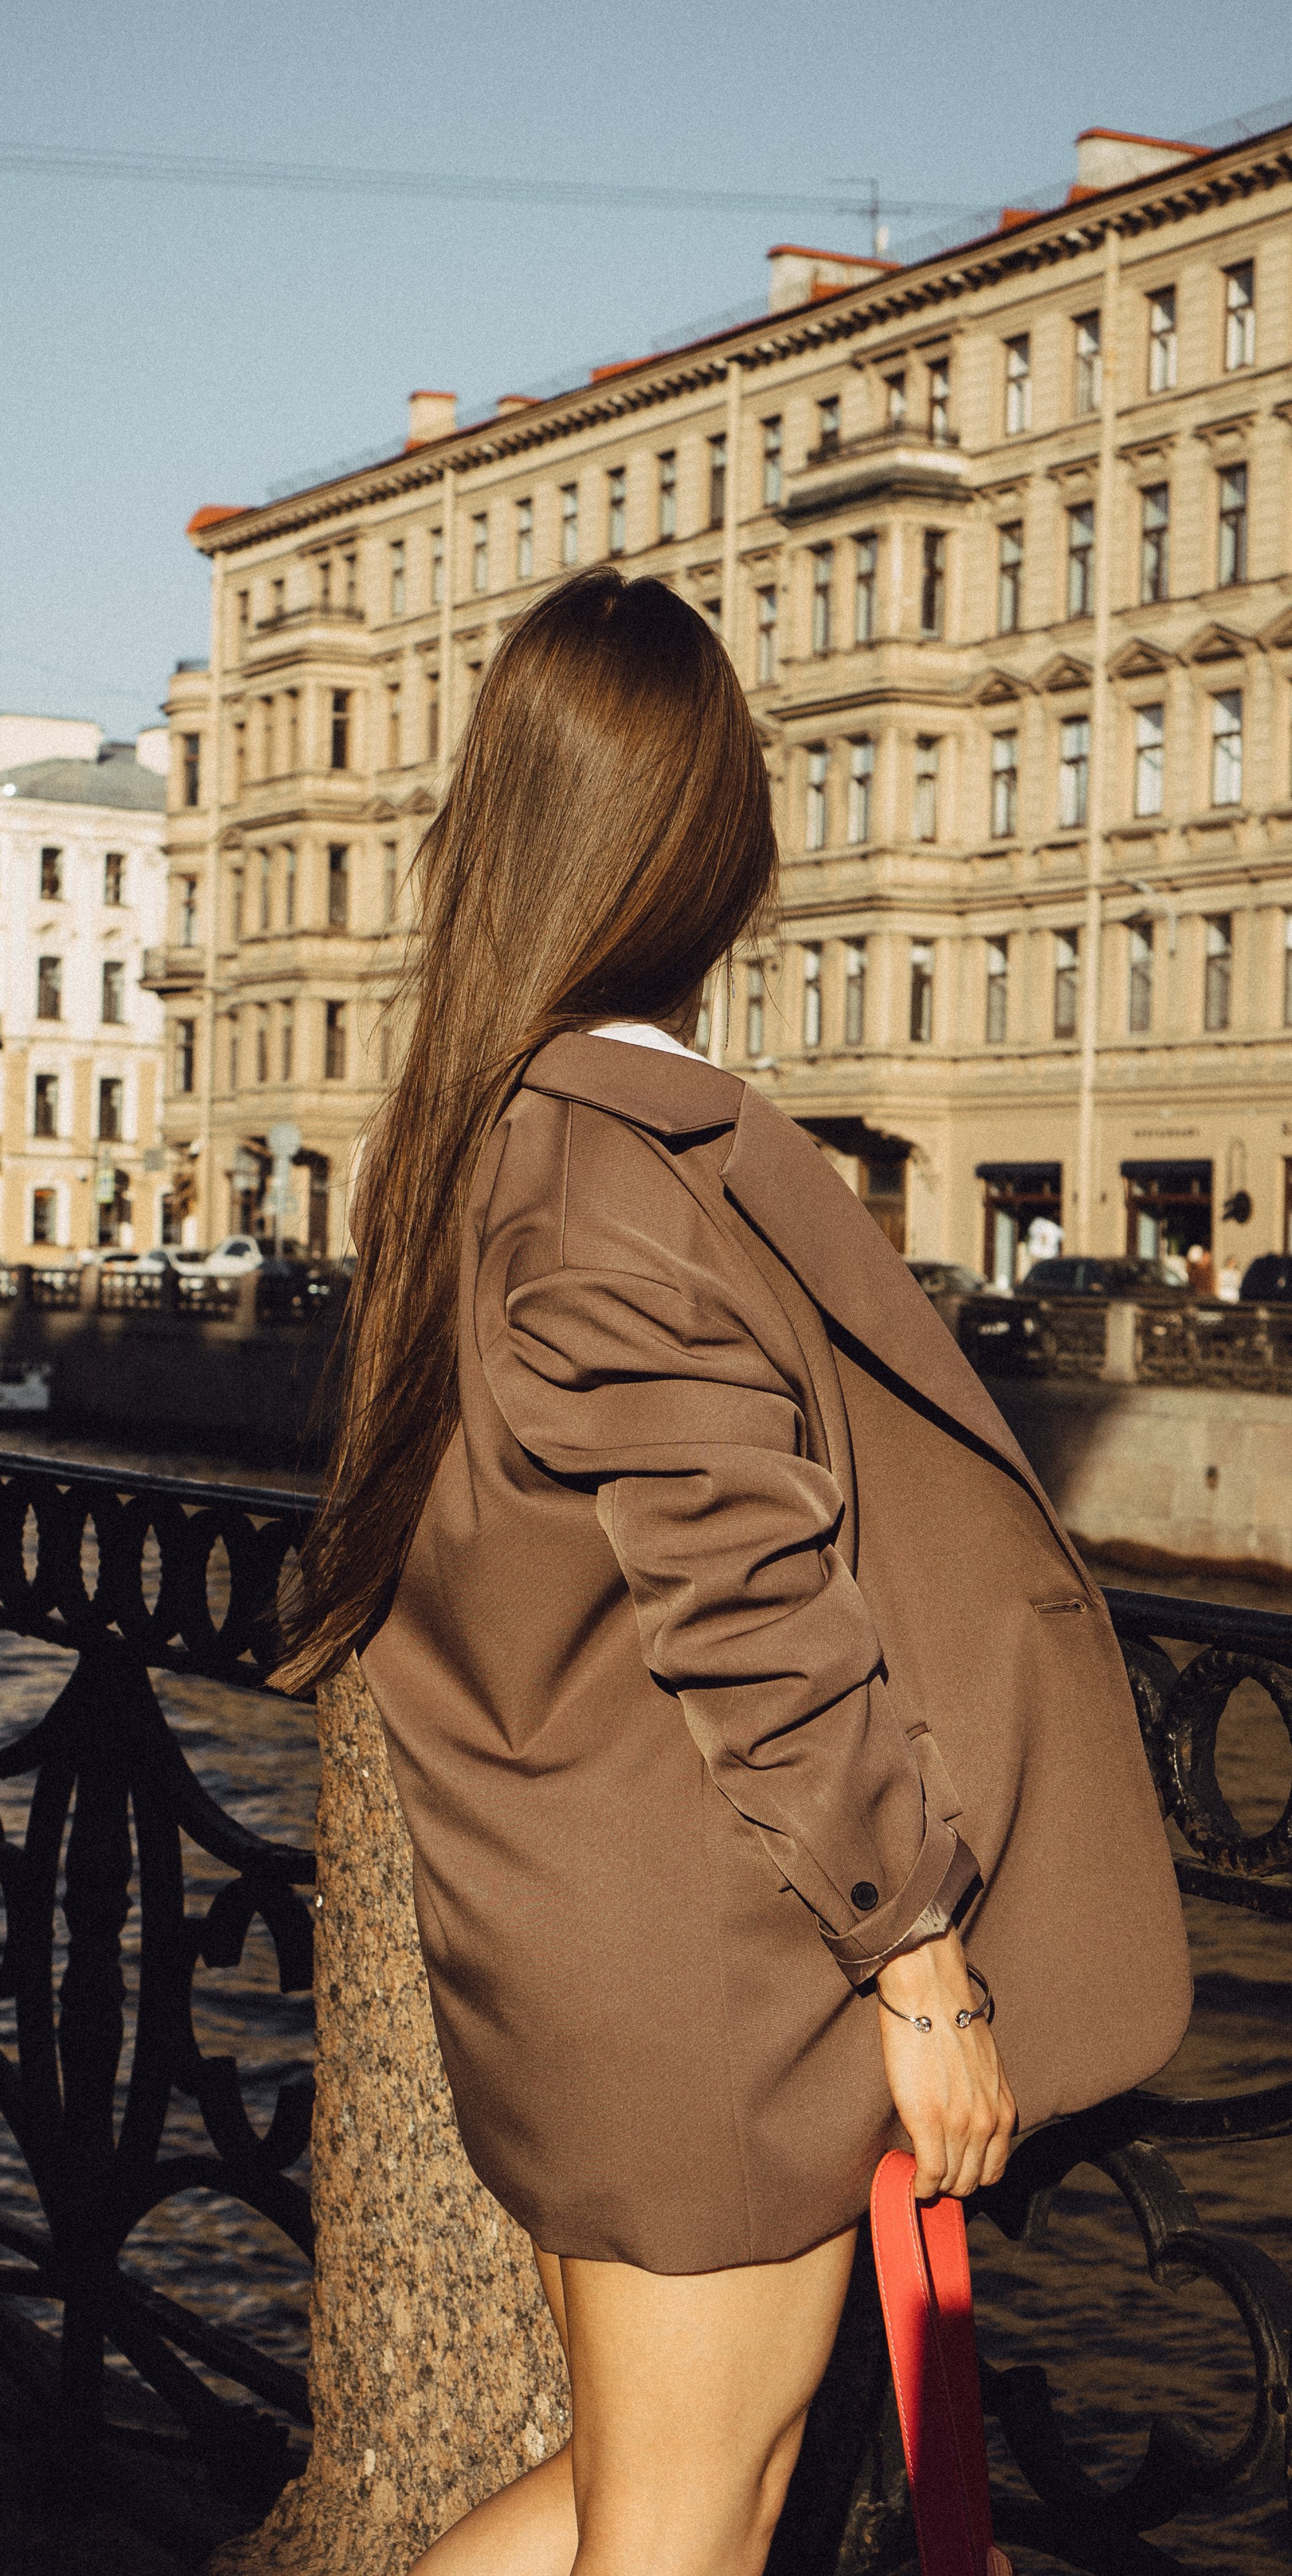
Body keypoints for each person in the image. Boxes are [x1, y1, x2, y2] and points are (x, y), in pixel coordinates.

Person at [276, 570, 1191, 2576]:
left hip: (614, 1940)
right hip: (707, 1974)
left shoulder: (504, 1138)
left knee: (657, 2505)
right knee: (684, 2527)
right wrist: (923, 1965)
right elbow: (751, 1610)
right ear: (707, 840)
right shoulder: (613, 1167)